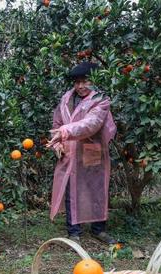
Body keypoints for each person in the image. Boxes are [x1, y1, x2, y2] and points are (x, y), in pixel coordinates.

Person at [47, 62, 117, 245]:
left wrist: (64, 132)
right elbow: (57, 123)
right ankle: (74, 231)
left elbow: (91, 124)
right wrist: (58, 144)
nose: (80, 86)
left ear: (93, 80)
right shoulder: (66, 99)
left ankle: (99, 229)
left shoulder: (101, 100)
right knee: (71, 190)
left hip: (91, 152)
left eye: (85, 81)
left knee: (96, 190)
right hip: (69, 154)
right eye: (77, 82)